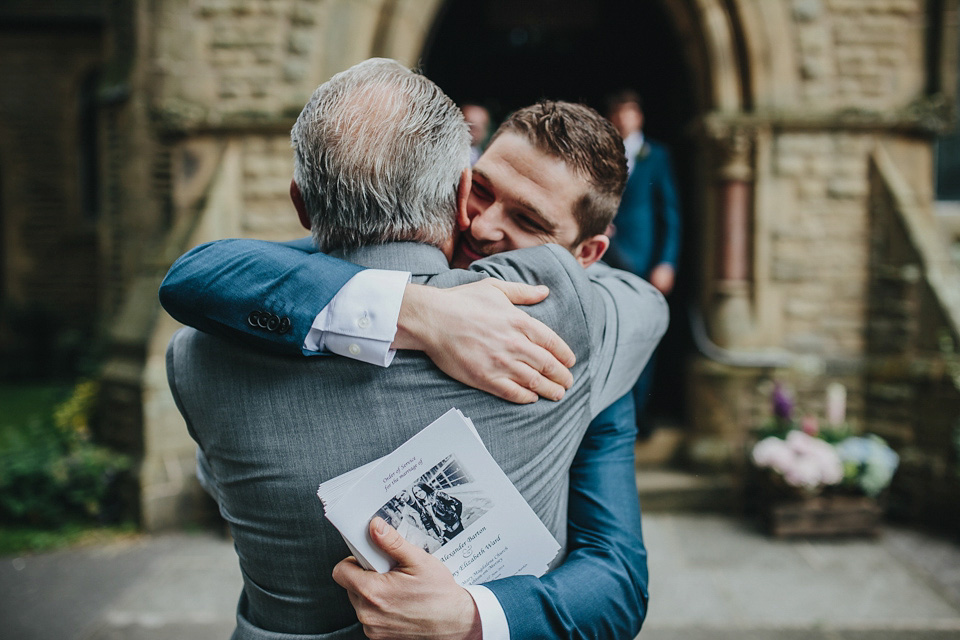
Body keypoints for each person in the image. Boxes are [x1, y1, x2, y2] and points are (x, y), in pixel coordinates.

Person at [163, 59, 665, 640]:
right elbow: (208, 272)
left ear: (585, 257)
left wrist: (473, 618)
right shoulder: (578, 317)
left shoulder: (568, 338)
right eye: (481, 190)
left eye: (527, 220)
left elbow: (616, 578)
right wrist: (413, 311)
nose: (481, 228)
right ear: (458, 187)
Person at [605, 90, 682, 437]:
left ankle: (638, 417)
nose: (623, 119)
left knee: (643, 334)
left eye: (629, 113)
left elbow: (670, 213)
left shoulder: (657, 156)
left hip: (643, 258)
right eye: (618, 113)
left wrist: (666, 262)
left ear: (639, 118)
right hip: (604, 255)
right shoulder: (602, 154)